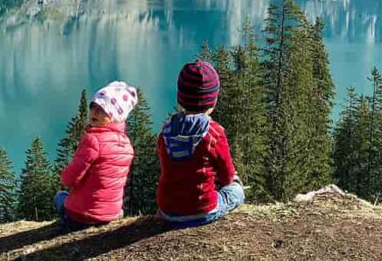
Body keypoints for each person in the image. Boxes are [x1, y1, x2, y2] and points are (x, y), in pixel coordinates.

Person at [156, 60, 245, 226]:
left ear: (180, 97)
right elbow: (227, 177)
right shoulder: (214, 133)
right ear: (213, 100)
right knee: (236, 190)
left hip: (167, 211)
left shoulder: (166, 131)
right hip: (202, 211)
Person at [54, 81, 137, 229]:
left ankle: (71, 219)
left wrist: (64, 176)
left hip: (82, 216)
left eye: (102, 109)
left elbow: (70, 179)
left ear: (115, 115)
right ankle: (110, 214)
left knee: (60, 197)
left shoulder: (93, 140)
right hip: (111, 215)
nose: (94, 112)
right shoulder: (127, 145)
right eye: (93, 107)